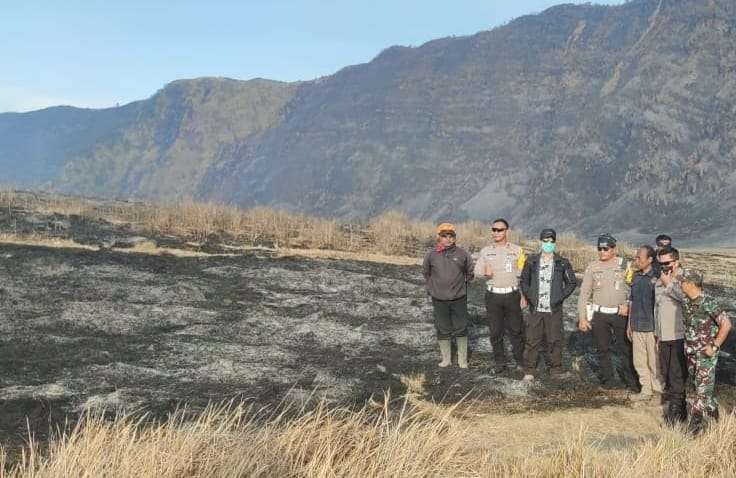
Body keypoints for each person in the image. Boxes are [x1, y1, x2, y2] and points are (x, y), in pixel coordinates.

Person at [577, 234, 638, 390]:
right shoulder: (593, 267)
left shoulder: (625, 265)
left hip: (620, 314)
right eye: (600, 248)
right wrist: (582, 318)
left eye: (606, 248)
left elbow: (635, 289)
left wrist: (629, 306)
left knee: (625, 349)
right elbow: (584, 294)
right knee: (602, 349)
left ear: (614, 249)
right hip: (600, 314)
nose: (602, 251)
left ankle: (631, 381)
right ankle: (608, 381)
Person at [677, 268, 732, 434]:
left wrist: (714, 346)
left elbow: (726, 324)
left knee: (700, 394)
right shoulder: (686, 302)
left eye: (683, 281)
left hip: (706, 356)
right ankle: (716, 418)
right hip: (691, 354)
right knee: (701, 389)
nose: (680, 284)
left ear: (692, 283)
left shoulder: (708, 302)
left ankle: (693, 429)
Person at [519, 228, 577, 380]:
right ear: (541, 242)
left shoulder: (562, 263)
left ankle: (556, 369)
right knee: (532, 340)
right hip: (535, 308)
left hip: (554, 309)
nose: (548, 244)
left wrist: (560, 296)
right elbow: (524, 281)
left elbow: (572, 282)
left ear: (555, 243)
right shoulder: (531, 261)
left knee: (555, 339)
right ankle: (529, 370)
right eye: (546, 241)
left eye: (551, 241)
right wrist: (529, 295)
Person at [474, 218, 526, 374]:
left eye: (500, 230)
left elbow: (523, 274)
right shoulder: (485, 251)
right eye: (494, 230)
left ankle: (520, 361)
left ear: (506, 231)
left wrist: (524, 296)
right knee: (495, 331)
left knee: (516, 330)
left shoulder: (517, 250)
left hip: (512, 295)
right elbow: (476, 271)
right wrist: (484, 271)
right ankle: (500, 363)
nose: (496, 232)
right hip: (493, 296)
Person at [423, 223, 475, 369]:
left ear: (454, 237)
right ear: (438, 237)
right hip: (439, 299)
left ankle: (462, 360)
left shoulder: (462, 254)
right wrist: (433, 287)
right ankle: (446, 359)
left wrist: (462, 286)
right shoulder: (431, 254)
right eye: (444, 236)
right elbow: (426, 273)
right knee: (443, 328)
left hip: (459, 298)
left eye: (450, 236)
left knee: (461, 328)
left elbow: (470, 272)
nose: (447, 239)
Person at [655, 246, 688, 424]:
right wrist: (656, 334)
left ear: (676, 261)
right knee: (667, 375)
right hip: (664, 335)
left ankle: (677, 417)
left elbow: (689, 299)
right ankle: (678, 410)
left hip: (679, 335)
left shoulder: (686, 277)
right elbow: (657, 308)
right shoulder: (660, 279)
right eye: (660, 264)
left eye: (667, 263)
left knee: (677, 376)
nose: (664, 267)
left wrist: (669, 284)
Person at [627, 245, 663, 401]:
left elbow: (661, 306)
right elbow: (632, 302)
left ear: (650, 259)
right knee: (639, 361)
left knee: (655, 363)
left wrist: (660, 331)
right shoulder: (635, 277)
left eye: (639, 258)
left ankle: (658, 392)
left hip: (651, 328)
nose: (636, 260)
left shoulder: (658, 278)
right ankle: (645, 391)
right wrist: (629, 325)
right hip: (636, 325)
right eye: (635, 257)